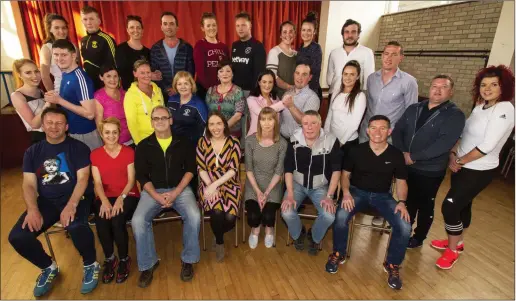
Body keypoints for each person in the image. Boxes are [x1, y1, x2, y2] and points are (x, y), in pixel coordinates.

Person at [8, 107, 100, 297]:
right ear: (42, 125)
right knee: (18, 236)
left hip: (78, 197)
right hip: (47, 201)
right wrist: (32, 209)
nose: (54, 127)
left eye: (59, 123)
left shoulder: (78, 148)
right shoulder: (33, 152)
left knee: (75, 226)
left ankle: (91, 263)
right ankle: (48, 267)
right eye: (49, 123)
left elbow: (83, 179)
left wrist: (71, 204)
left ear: (66, 127)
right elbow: (29, 185)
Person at [432, 65, 515, 269]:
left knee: (450, 206)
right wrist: (453, 154)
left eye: (494, 85)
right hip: (463, 165)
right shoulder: (481, 106)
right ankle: (457, 242)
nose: (487, 89)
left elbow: (486, 146)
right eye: (484, 85)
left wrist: (460, 161)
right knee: (463, 206)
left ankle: (451, 250)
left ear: (503, 87)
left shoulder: (504, 109)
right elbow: (465, 134)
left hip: (479, 170)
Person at [326, 115, 411, 290]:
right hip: (357, 192)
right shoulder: (356, 151)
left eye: (382, 128)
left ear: (389, 131)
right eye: (373, 128)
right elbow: (345, 175)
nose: (377, 132)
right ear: (367, 130)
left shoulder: (396, 155)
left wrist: (402, 202)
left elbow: (401, 181)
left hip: (383, 196)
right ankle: (338, 253)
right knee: (341, 216)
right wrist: (347, 193)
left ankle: (393, 265)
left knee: (404, 225)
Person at [392, 75, 465, 249]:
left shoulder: (455, 115)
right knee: (407, 200)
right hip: (407, 164)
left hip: (430, 170)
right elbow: (398, 130)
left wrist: (414, 156)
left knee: (425, 204)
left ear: (451, 92)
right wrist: (402, 153)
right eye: (434, 86)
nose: (437, 90)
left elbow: (443, 144)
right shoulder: (414, 108)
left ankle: (419, 236)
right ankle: (404, 230)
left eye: (443, 87)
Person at [132, 106, 200, 286]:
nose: (160, 121)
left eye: (163, 118)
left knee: (194, 215)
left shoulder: (184, 142)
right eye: (156, 119)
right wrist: (156, 196)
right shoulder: (143, 146)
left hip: (180, 189)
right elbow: (141, 176)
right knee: (138, 220)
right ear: (152, 122)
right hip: (153, 191)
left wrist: (175, 192)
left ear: (171, 120)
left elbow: (191, 170)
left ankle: (188, 260)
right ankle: (148, 264)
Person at [358, 40, 418, 226]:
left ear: (401, 57)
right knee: (363, 170)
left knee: (385, 175)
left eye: (394, 54)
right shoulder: (371, 78)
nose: (389, 58)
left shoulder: (409, 82)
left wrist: (407, 146)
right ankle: (361, 204)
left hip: (390, 138)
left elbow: (411, 115)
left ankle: (380, 211)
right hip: (366, 133)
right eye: (386, 53)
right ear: (381, 56)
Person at [281, 111, 341, 255]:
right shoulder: (294, 139)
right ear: (301, 125)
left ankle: (314, 236)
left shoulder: (331, 140)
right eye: (306, 123)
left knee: (329, 215)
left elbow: (336, 171)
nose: (309, 127)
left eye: (313, 123)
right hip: (297, 184)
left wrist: (329, 196)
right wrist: (289, 194)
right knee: (287, 212)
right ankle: (298, 233)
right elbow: (288, 168)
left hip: (320, 186)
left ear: (320, 124)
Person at [90, 117, 139, 284]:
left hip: (127, 194)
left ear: (120, 133)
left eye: (114, 132)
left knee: (117, 220)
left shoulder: (128, 152)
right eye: (107, 133)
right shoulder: (95, 155)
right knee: (102, 220)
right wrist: (104, 201)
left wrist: (120, 198)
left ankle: (124, 259)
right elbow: (97, 183)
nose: (111, 136)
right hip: (105, 195)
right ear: (101, 134)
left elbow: (131, 180)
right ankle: (110, 259)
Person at [196, 111, 242, 262]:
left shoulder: (234, 142)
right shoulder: (202, 142)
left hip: (229, 183)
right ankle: (220, 242)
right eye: (211, 124)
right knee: (216, 211)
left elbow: (233, 170)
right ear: (207, 127)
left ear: (224, 125)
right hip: (207, 181)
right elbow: (201, 168)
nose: (215, 128)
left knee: (229, 218)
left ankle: (217, 235)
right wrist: (210, 185)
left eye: (218, 123)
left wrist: (216, 185)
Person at [45, 39, 102, 150]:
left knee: (92, 166)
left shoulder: (80, 79)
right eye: (56, 55)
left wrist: (59, 100)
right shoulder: (66, 73)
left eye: (64, 55)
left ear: (73, 55)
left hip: (85, 134)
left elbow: (90, 114)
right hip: (73, 131)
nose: (59, 59)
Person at [245, 107, 287, 249]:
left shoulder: (282, 143)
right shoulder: (250, 140)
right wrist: (258, 192)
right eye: (263, 119)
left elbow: (278, 171)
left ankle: (270, 229)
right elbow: (249, 169)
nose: (267, 123)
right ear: (259, 122)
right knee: (253, 217)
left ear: (276, 121)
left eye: (270, 119)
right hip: (253, 184)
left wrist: (266, 193)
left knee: (268, 217)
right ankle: (255, 229)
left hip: (273, 185)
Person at [324, 60, 366, 158]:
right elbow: (330, 115)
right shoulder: (336, 92)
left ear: (358, 76)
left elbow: (354, 124)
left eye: (352, 74)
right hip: (332, 140)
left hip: (348, 143)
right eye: (345, 74)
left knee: (344, 173)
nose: (348, 77)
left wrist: (340, 143)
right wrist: (326, 136)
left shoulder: (360, 96)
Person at [326, 19, 375, 101]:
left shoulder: (367, 52)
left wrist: (363, 98)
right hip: (334, 95)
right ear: (342, 34)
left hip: (355, 98)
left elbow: (368, 79)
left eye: (353, 32)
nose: (350, 35)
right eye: (347, 32)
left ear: (358, 34)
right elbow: (329, 77)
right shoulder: (334, 53)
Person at [150, 12, 195, 96]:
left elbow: (190, 72)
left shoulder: (187, 47)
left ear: (177, 27)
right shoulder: (156, 48)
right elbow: (155, 73)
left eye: (171, 24)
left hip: (184, 92)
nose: (168, 27)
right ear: (161, 27)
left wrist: (178, 88)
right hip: (163, 94)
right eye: (165, 24)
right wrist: (166, 89)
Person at [124, 59, 164, 145]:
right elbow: (132, 122)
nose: (146, 75)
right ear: (135, 74)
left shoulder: (157, 90)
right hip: (144, 141)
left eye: (148, 72)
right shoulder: (130, 95)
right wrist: (139, 143)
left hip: (162, 137)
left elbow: (164, 113)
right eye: (142, 73)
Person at [11, 59, 52, 144]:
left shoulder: (40, 91)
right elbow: (34, 124)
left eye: (36, 71)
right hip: (40, 139)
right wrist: (47, 104)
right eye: (28, 72)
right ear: (19, 75)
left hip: (54, 133)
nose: (35, 76)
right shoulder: (17, 95)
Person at [205, 60, 246, 139]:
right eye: (221, 71)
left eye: (228, 71)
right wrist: (213, 128)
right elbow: (207, 112)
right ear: (217, 74)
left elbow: (238, 115)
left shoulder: (238, 91)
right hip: (213, 132)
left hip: (232, 133)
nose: (225, 74)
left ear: (232, 74)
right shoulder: (211, 90)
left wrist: (222, 129)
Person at [279, 62, 320, 140]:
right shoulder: (287, 93)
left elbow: (306, 122)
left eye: (304, 74)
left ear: (310, 77)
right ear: (294, 74)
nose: (299, 77)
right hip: (282, 140)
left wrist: (291, 106)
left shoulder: (313, 98)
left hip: (299, 143)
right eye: (297, 73)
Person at [193, 12, 230, 100]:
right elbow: (200, 72)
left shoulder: (224, 47)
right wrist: (212, 91)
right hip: (205, 91)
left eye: (214, 25)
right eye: (208, 26)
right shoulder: (200, 45)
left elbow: (229, 70)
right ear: (203, 28)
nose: (211, 28)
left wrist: (225, 88)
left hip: (223, 91)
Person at [79, 5, 117, 90]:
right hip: (88, 84)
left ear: (99, 21)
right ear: (82, 21)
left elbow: (114, 64)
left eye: (91, 19)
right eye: (85, 19)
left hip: (103, 85)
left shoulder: (106, 39)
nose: (88, 22)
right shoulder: (83, 40)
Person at [94, 65, 133, 146]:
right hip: (113, 143)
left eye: (115, 76)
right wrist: (108, 144)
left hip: (131, 139)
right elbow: (99, 124)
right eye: (108, 76)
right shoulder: (99, 97)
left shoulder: (124, 94)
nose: (113, 79)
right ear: (101, 77)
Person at [231, 11, 266, 97]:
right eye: (237, 26)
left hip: (249, 92)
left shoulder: (258, 46)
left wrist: (253, 93)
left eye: (243, 25)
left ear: (250, 26)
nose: (240, 29)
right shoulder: (235, 45)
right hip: (234, 90)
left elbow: (259, 73)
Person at [167, 71, 208, 144]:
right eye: (179, 84)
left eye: (186, 83)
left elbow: (205, 129)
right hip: (172, 143)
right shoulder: (171, 100)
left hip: (191, 145)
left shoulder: (198, 104)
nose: (183, 87)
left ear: (191, 85)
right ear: (175, 86)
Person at [116, 15, 152, 91]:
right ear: (127, 30)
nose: (135, 30)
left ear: (142, 30)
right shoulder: (120, 49)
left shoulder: (148, 52)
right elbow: (119, 73)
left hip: (145, 92)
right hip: (127, 92)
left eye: (138, 27)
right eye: (132, 27)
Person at [246, 69, 286, 137]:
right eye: (264, 82)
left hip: (273, 138)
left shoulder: (276, 98)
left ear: (273, 84)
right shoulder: (251, 99)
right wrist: (283, 103)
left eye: (270, 82)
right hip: (255, 138)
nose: (267, 85)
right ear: (259, 83)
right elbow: (262, 113)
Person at [39, 13, 71, 93]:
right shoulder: (47, 48)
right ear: (50, 29)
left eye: (64, 28)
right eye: (56, 28)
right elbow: (44, 76)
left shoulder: (72, 46)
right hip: (61, 90)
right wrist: (52, 96)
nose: (61, 31)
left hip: (78, 87)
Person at [266, 21, 297, 99]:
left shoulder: (296, 54)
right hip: (278, 97)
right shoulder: (274, 52)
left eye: (291, 32)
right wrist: (289, 87)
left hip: (294, 96)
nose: (288, 35)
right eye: (284, 32)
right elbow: (272, 76)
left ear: (294, 34)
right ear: (280, 35)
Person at [297, 12, 323, 100]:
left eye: (309, 30)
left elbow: (315, 74)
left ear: (314, 32)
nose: (306, 33)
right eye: (303, 30)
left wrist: (307, 94)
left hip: (311, 92)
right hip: (300, 90)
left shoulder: (316, 48)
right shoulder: (300, 48)